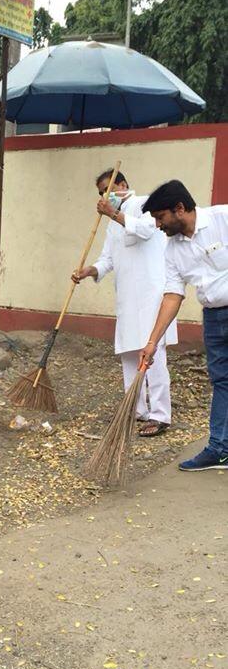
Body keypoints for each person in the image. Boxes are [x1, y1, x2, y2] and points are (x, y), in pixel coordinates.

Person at [72, 168, 177, 436]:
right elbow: (107, 259)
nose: (104, 196)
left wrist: (113, 214)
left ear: (122, 185)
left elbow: (145, 230)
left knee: (153, 352)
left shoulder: (145, 204)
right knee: (129, 353)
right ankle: (136, 409)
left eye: (107, 189)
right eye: (100, 193)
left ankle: (160, 414)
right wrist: (89, 271)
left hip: (151, 293)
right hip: (128, 296)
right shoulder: (111, 223)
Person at [140, 180, 228, 471]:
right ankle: (220, 450)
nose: (157, 225)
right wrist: (152, 342)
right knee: (222, 382)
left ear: (179, 208)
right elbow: (173, 295)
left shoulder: (222, 219)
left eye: (160, 217)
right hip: (213, 318)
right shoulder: (172, 250)